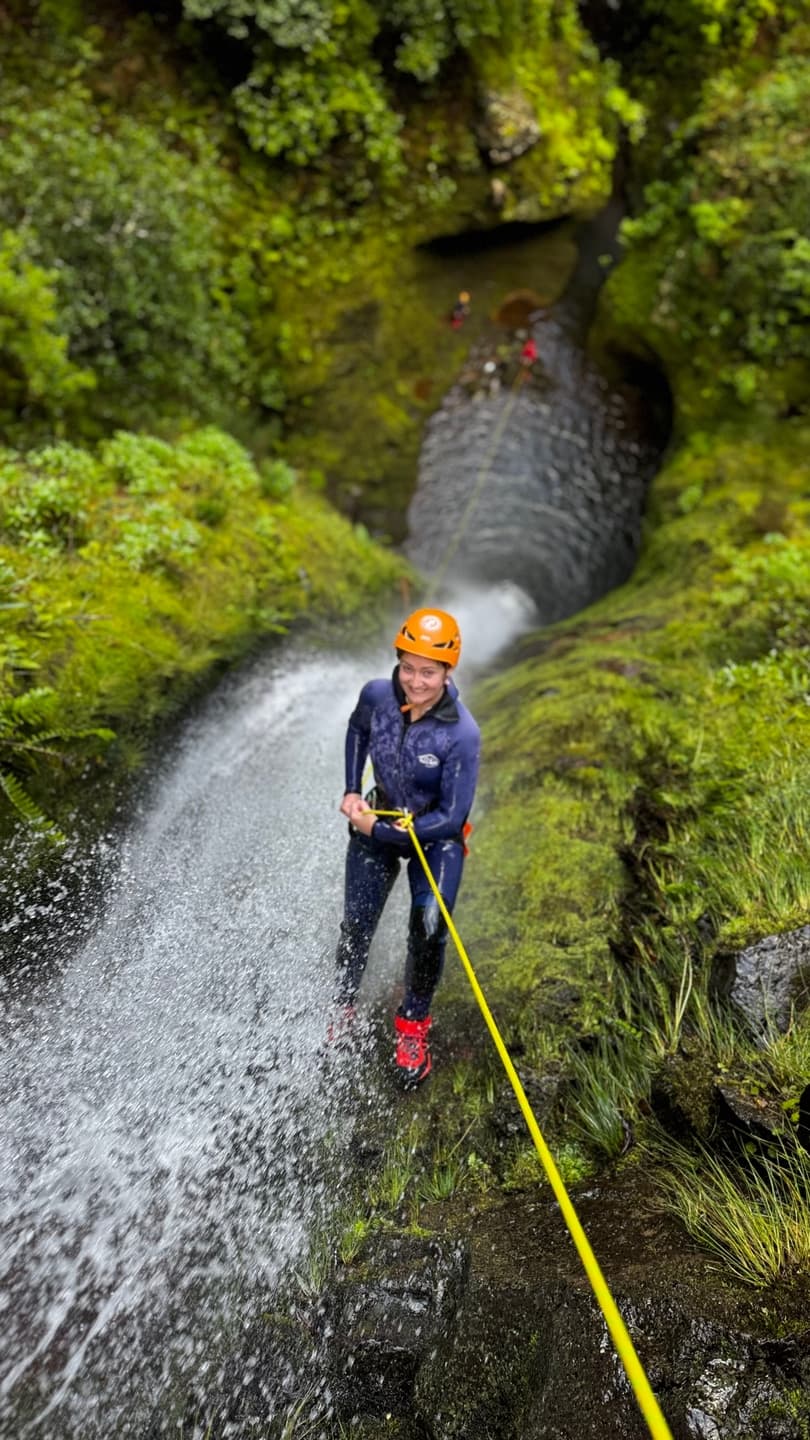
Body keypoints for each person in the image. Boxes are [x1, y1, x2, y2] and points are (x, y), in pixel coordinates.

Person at [333, 607, 481, 1088]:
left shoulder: (461, 733)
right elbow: (357, 730)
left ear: (447, 672)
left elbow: (450, 819)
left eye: (429, 671)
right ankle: (343, 1002)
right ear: (398, 661)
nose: (416, 681)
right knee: (358, 917)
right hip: (381, 812)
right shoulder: (376, 695)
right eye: (409, 667)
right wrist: (353, 789)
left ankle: (413, 1026)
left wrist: (379, 831)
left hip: (433, 837)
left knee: (430, 925)